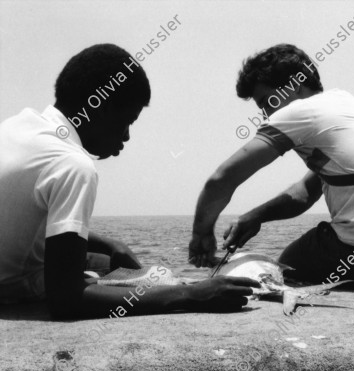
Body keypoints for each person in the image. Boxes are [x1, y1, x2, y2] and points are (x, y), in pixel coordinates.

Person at [0, 43, 259, 319]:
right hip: (10, 290)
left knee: (106, 262)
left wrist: (111, 245)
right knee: (149, 278)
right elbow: (67, 300)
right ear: (100, 108)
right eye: (127, 121)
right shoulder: (72, 164)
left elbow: (28, 220)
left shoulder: (16, 128)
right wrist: (190, 294)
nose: (126, 137)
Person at [188, 44, 354, 288]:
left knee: (289, 265)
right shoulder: (350, 105)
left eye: (269, 102)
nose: (268, 116)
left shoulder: (298, 112)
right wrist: (256, 217)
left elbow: (221, 179)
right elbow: (305, 193)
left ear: (296, 86)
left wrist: (201, 235)